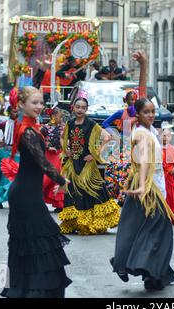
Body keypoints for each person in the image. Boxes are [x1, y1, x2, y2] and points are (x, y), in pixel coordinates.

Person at [0, 86, 71, 298]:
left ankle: (29, 289)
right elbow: (42, 164)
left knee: (31, 242)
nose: (40, 106)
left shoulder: (30, 128)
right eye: (35, 103)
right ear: (21, 104)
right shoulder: (28, 131)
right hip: (25, 194)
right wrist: (62, 180)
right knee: (39, 239)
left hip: (26, 191)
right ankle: (35, 291)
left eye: (41, 102)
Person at [110, 97, 174, 291]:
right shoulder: (141, 133)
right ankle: (150, 272)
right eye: (146, 112)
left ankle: (150, 271)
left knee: (137, 227)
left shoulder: (150, 130)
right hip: (148, 187)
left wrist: (143, 66)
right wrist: (141, 185)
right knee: (158, 229)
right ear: (137, 115)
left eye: (152, 112)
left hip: (154, 183)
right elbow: (143, 162)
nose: (150, 115)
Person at [58, 97, 120, 235]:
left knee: (94, 190)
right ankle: (76, 222)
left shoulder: (91, 124)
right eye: (77, 107)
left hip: (87, 164)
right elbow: (62, 137)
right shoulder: (70, 123)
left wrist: (94, 154)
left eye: (83, 107)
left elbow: (107, 138)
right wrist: (65, 149)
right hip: (73, 164)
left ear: (86, 109)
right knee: (74, 192)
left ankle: (92, 222)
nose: (80, 110)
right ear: (73, 108)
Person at [102, 51, 148, 206]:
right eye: (130, 99)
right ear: (126, 100)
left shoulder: (141, 112)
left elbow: (142, 89)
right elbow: (105, 123)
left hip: (137, 146)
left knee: (134, 171)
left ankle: (131, 196)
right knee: (114, 171)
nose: (133, 101)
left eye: (135, 99)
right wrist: (114, 134)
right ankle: (120, 196)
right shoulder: (120, 113)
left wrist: (143, 66)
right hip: (122, 145)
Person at [41, 106, 65, 213]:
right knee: (46, 178)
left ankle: (59, 204)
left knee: (58, 177)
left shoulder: (64, 127)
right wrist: (48, 146)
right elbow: (40, 139)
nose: (62, 119)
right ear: (53, 116)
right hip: (48, 155)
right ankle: (36, 199)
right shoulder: (45, 128)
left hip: (59, 155)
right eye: (60, 116)